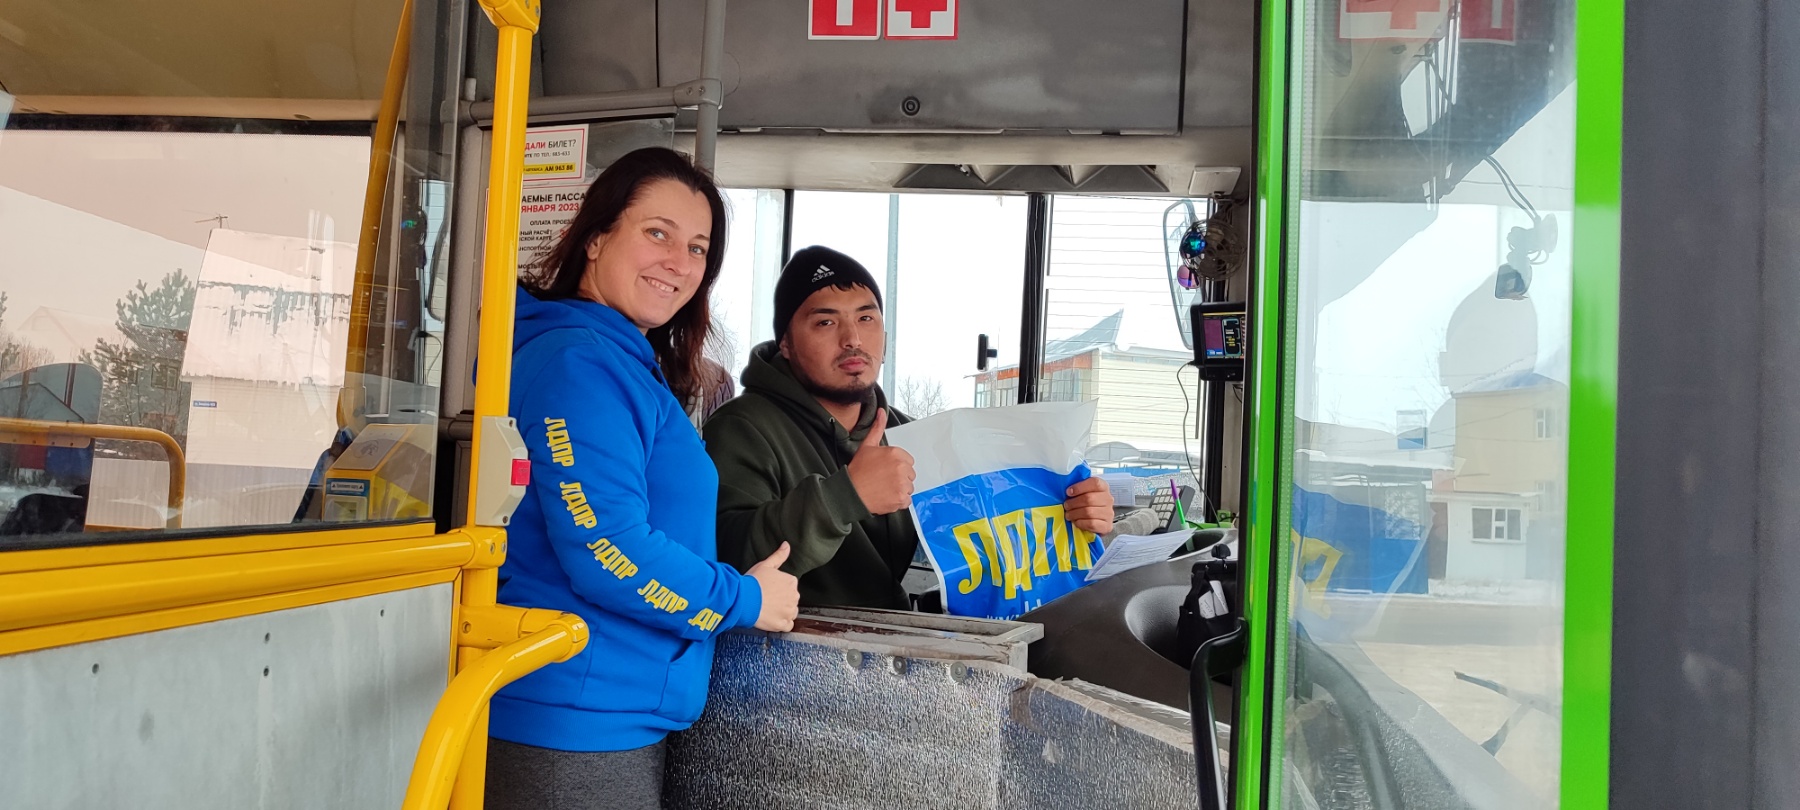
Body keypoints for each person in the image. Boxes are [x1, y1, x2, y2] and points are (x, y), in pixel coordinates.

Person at [486, 147, 800, 810]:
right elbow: (608, 549)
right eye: (657, 233)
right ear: (597, 237)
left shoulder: (620, 360)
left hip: (606, 712)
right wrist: (743, 599)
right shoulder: (580, 364)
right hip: (573, 725)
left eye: (697, 248)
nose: (679, 262)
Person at [703, 245, 1115, 610]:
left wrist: (1068, 510)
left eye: (866, 317)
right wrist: (844, 498)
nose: (852, 338)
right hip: (782, 652)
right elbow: (723, 560)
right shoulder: (742, 428)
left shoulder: (906, 434)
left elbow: (988, 537)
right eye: (825, 322)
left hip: (891, 641)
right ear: (786, 344)